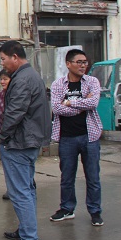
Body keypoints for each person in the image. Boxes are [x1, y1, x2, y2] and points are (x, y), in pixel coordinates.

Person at [0, 40, 51, 240]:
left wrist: (3, 136)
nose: (2, 63)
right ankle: (25, 231)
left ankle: (29, 239)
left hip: (19, 143)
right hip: (29, 141)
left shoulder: (22, 80)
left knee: (20, 192)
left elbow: (15, 112)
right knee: (27, 189)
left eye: (3, 59)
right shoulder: (31, 75)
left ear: (15, 57)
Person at [49, 49, 104, 226]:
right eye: (79, 62)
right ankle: (67, 208)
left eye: (85, 62)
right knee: (67, 177)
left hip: (90, 136)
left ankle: (95, 211)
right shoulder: (58, 84)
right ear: (68, 64)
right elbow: (56, 108)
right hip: (67, 138)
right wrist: (81, 107)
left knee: (93, 177)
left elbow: (93, 102)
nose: (83, 66)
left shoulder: (92, 81)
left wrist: (70, 102)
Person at [0, 68, 11, 201]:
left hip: (13, 135)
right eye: (1, 79)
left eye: (5, 79)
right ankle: (10, 189)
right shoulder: (0, 95)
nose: (2, 82)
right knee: (6, 163)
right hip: (2, 133)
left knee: (16, 164)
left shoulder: (14, 95)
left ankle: (27, 186)